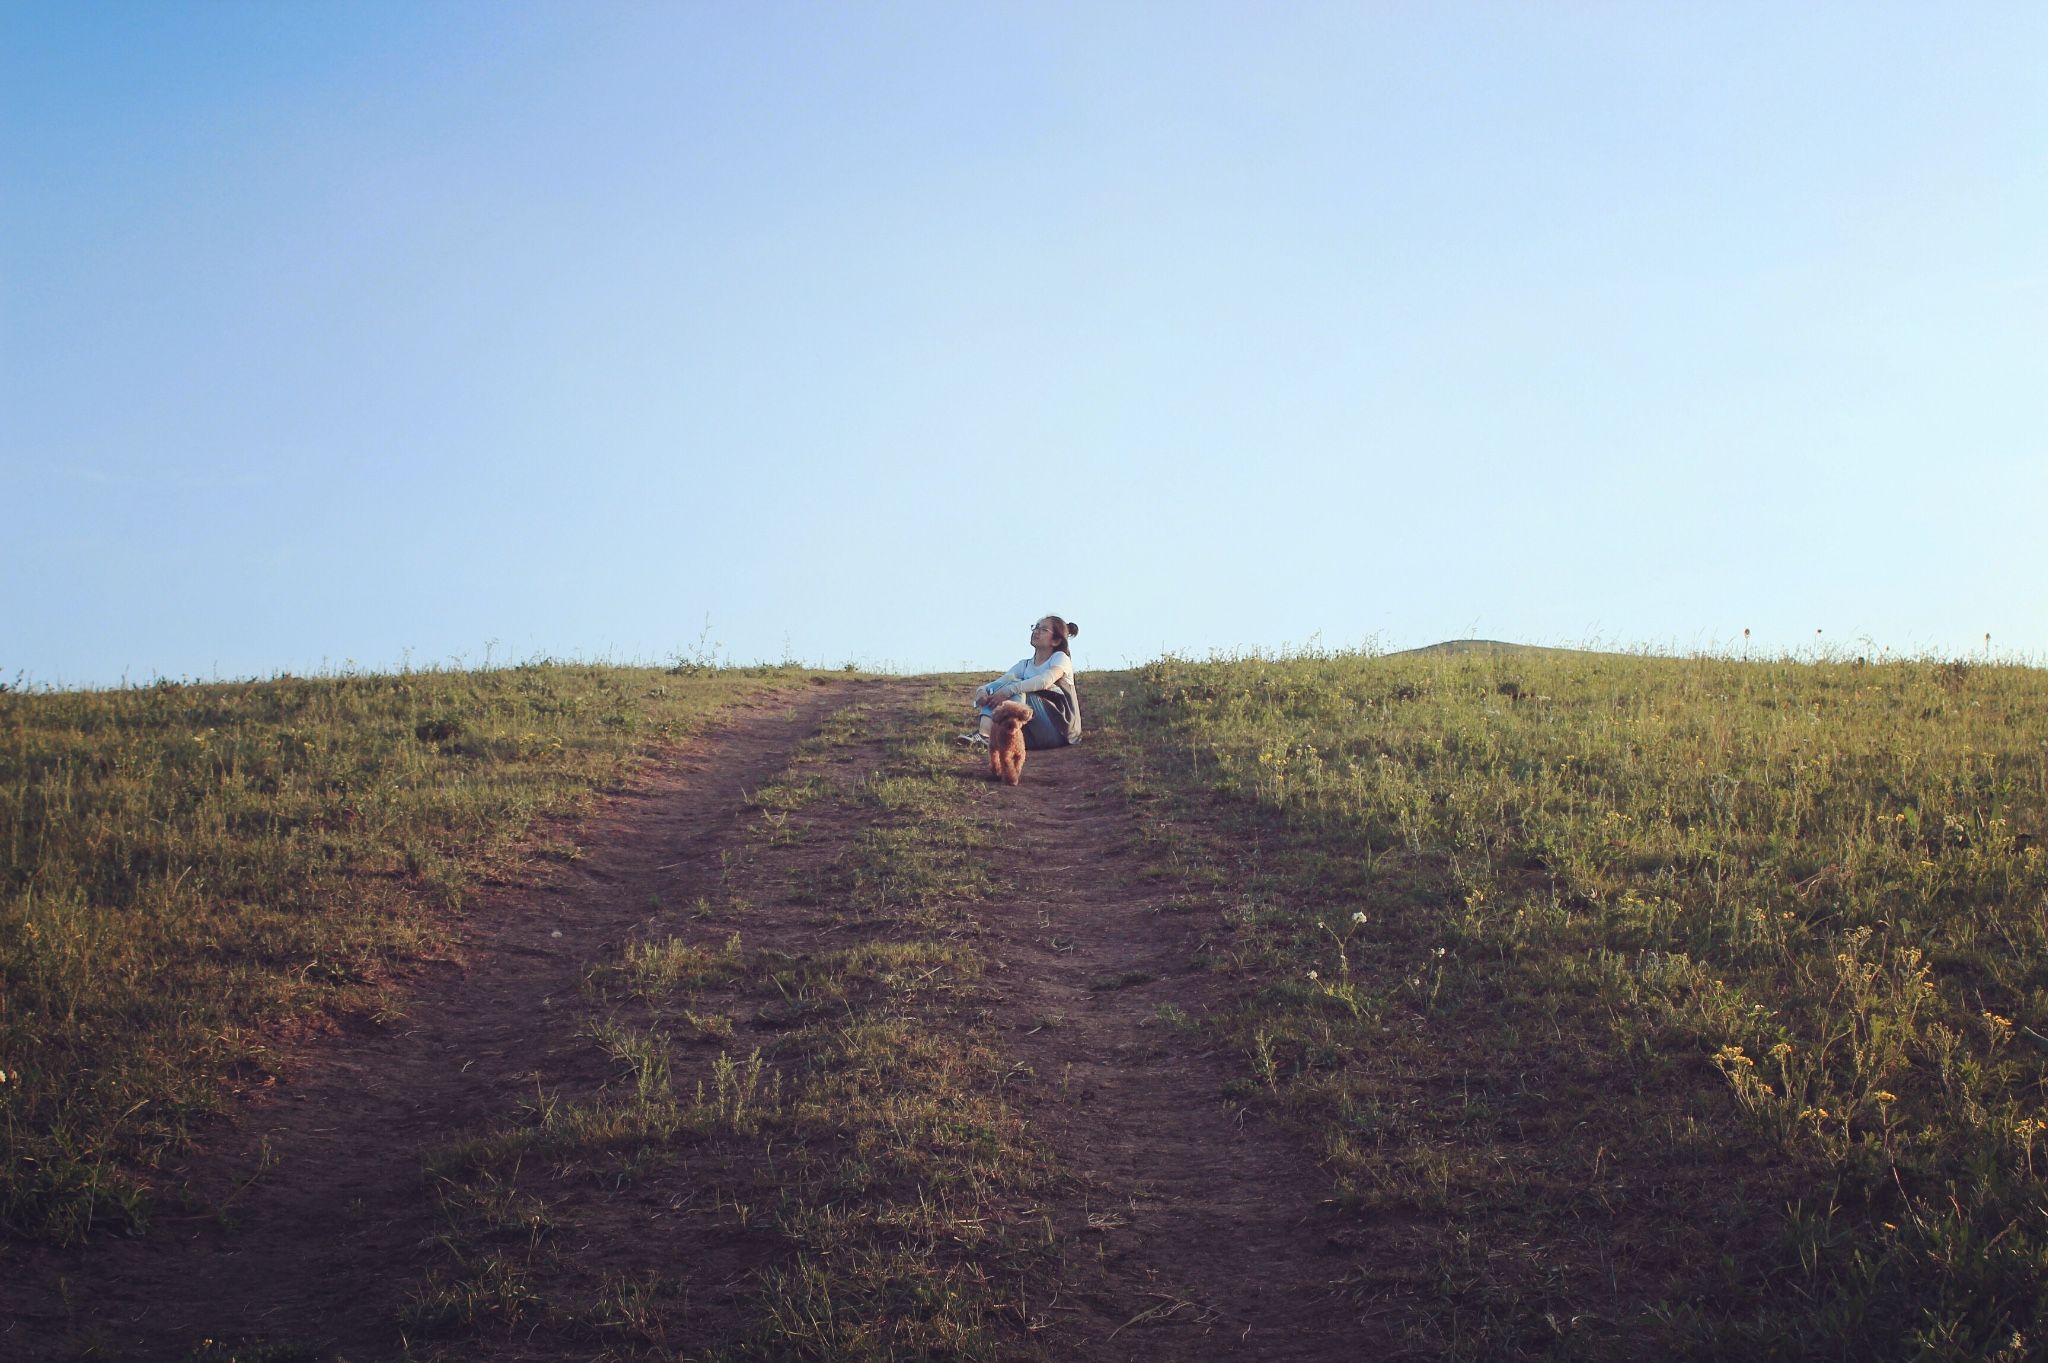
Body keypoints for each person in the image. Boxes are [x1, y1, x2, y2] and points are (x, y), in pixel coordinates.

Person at [958, 615, 1082, 751]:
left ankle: (987, 736)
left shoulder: (1060, 658)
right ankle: (984, 735)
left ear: (1056, 640)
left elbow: (1044, 681)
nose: (1036, 631)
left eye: (1044, 629)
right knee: (1006, 685)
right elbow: (1001, 682)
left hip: (1060, 732)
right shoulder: (1025, 665)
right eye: (1036, 627)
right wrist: (982, 691)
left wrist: (1010, 690)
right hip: (1032, 736)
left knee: (1016, 687)